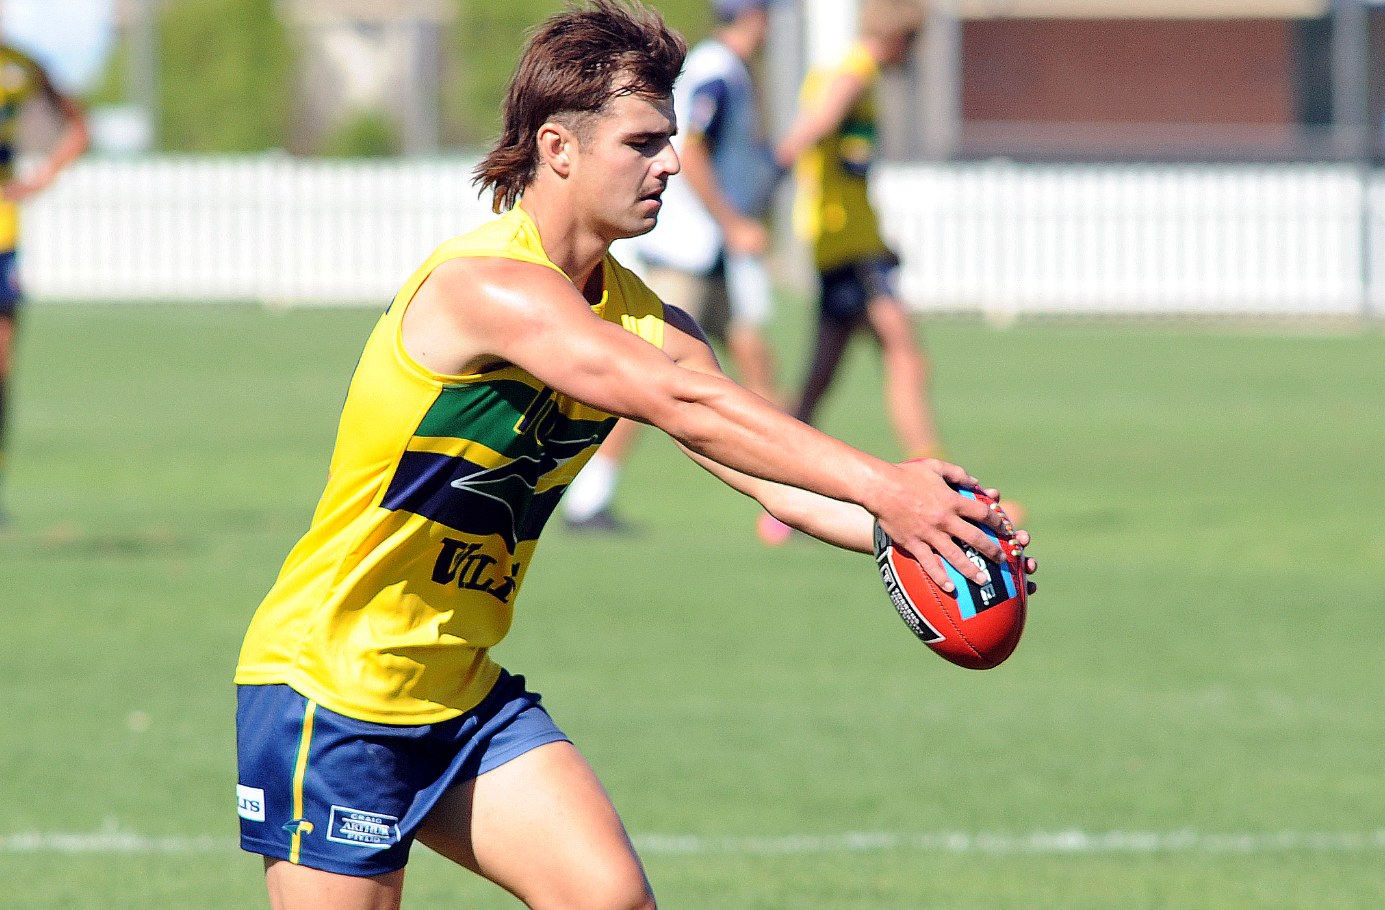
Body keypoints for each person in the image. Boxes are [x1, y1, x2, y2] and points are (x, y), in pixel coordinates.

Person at [234, 3, 1034, 908]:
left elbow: (771, 476)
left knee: (610, 899)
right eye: (644, 141)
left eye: (672, 138)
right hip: (331, 685)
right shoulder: (486, 286)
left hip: (459, 690)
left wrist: (942, 534)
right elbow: (677, 399)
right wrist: (891, 485)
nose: (672, 163)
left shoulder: (648, 319)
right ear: (559, 148)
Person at [563, 0, 783, 532]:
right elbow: (695, 151)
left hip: (712, 252)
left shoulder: (726, 70)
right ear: (754, 18)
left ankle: (788, 497)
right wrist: (731, 220)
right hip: (689, 247)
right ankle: (588, 499)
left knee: (757, 361)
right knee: (647, 379)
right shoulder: (716, 70)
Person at [775, 0, 939, 467]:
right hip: (848, 247)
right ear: (898, 36)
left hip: (847, 245)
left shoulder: (846, 70)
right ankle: (938, 473)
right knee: (906, 356)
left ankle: (781, 497)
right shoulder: (855, 72)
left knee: (819, 380)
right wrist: (778, 164)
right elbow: (820, 120)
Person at [0, 36, 89, 522]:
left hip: (3, 231)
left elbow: (78, 127)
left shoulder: (21, 65)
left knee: (2, 362)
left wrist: (43, 178)